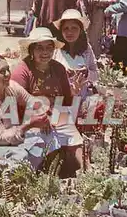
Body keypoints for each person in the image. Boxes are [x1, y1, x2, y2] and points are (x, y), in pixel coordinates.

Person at [11, 27, 85, 178]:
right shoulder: (22, 70)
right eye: (39, 47)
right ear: (31, 50)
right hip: (30, 118)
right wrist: (40, 117)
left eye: (49, 47)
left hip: (55, 114)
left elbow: (65, 101)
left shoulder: (58, 68)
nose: (45, 52)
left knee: (74, 136)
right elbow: (15, 102)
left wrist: (74, 92)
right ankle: (41, 176)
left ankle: (87, 174)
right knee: (43, 140)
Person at [52, 9, 99, 101]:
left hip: (82, 100)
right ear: (61, 31)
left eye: (74, 28)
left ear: (81, 30)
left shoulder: (86, 49)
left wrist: (87, 73)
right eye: (66, 29)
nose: (70, 32)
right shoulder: (55, 49)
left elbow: (97, 75)